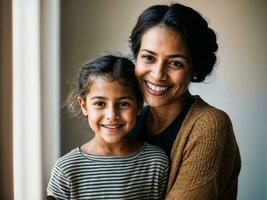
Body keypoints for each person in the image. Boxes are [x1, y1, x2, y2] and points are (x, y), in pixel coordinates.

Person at [129, 3, 241, 199]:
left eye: (175, 63)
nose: (157, 74)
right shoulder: (130, 121)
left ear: (194, 69)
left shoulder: (210, 126)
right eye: (148, 57)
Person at [47, 55, 169, 200]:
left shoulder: (157, 163)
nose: (112, 115)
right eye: (100, 103)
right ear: (84, 106)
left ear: (138, 105)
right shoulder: (66, 169)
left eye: (123, 104)